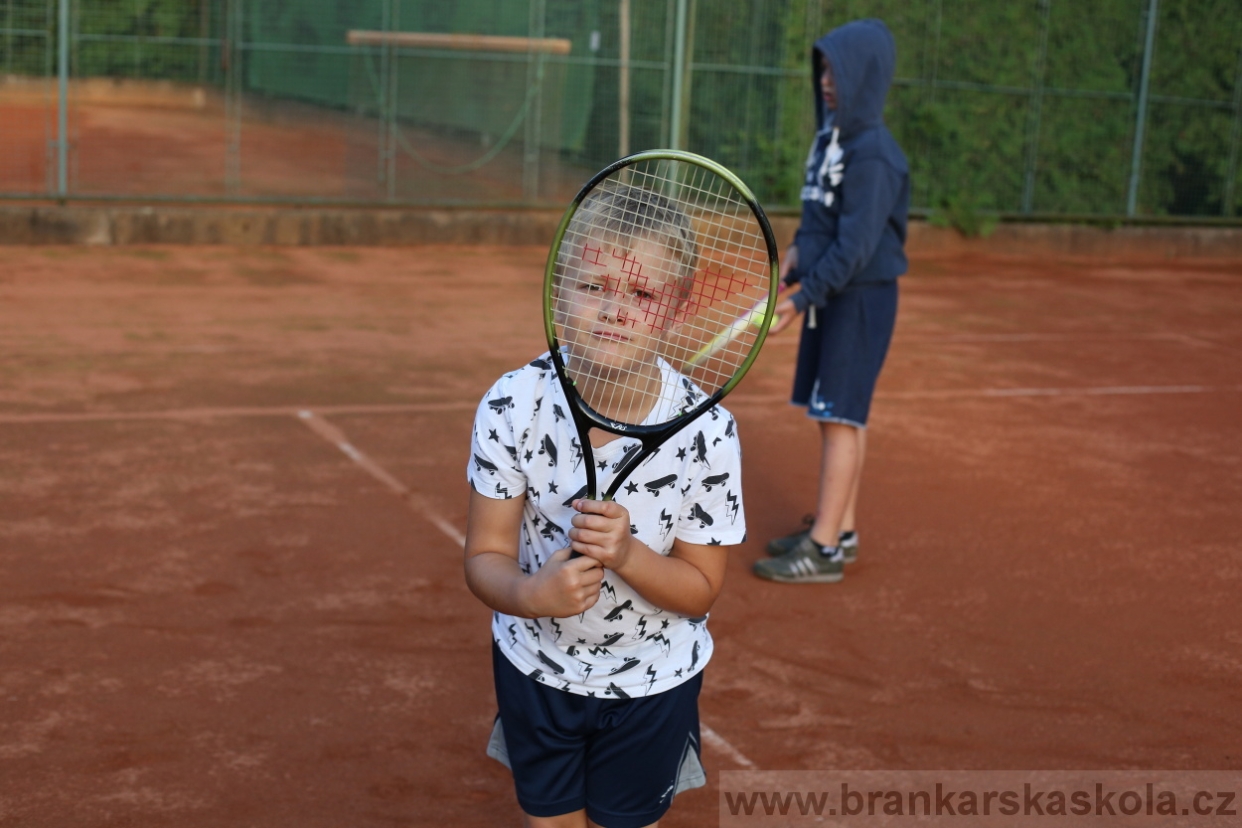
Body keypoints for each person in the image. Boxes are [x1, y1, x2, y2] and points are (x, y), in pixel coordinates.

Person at [464, 183, 747, 827]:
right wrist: (530, 594)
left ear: (676, 308)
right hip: (535, 671)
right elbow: (484, 557)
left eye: (642, 294)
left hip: (654, 684)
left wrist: (628, 555)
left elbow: (700, 590)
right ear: (559, 290)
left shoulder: (709, 433)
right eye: (593, 285)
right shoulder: (514, 404)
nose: (615, 310)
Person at [752, 18, 908, 585]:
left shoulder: (874, 156)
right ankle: (840, 531)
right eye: (821, 69)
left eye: (837, 72)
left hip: (859, 301)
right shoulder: (830, 141)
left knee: (839, 418)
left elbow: (857, 246)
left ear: (865, 77)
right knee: (836, 416)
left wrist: (802, 299)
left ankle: (821, 550)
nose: (825, 81)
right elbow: (820, 218)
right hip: (833, 295)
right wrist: (795, 256)